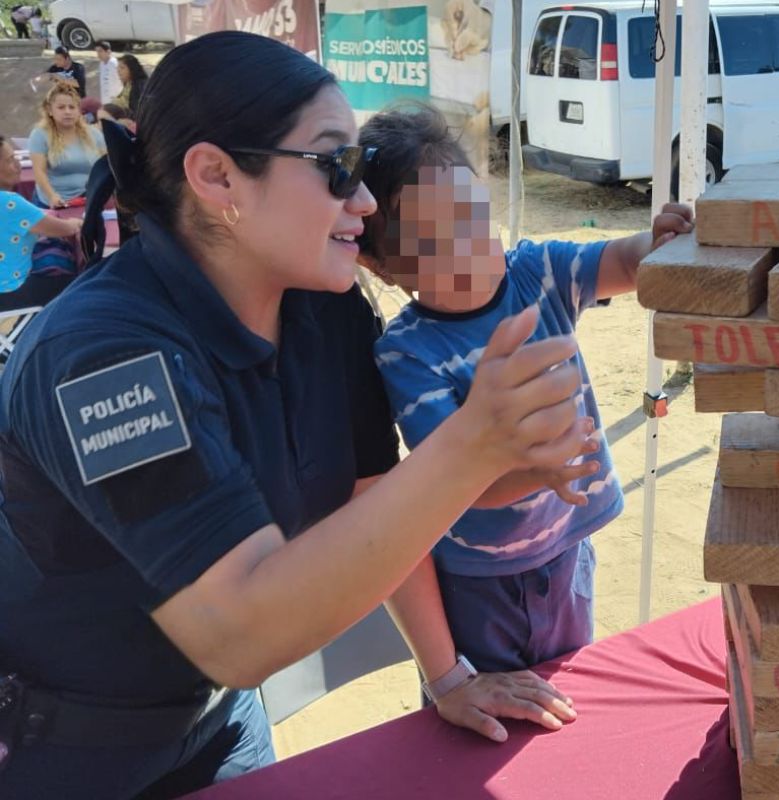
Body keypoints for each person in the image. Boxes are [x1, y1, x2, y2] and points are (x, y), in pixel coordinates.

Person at [0, 31, 589, 799]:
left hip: (220, 727)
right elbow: (237, 630)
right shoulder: (102, 354)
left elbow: (371, 496)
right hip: (68, 754)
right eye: (337, 165)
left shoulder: (325, 311)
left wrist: (446, 676)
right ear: (216, 177)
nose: (367, 201)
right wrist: (472, 448)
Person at [357, 102, 693, 743]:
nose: (466, 245)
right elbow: (455, 483)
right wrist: (535, 471)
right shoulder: (407, 352)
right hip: (478, 582)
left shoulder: (537, 271)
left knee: (562, 697)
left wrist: (660, 241)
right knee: (483, 727)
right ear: (382, 268)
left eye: (470, 213)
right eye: (430, 243)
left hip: (567, 554)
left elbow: (621, 262)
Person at [0, 134, 84, 309]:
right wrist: (77, 222)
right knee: (81, 283)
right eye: (10, 160)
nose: (17, 164)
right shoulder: (9, 202)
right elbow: (64, 229)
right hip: (11, 291)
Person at [28, 80, 106, 208]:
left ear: (79, 110)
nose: (67, 112)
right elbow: (39, 172)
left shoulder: (95, 134)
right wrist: (52, 196)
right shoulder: (39, 135)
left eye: (72, 107)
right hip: (51, 202)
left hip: (89, 199)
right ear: (49, 110)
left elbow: (107, 166)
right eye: (61, 107)